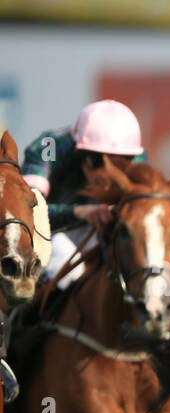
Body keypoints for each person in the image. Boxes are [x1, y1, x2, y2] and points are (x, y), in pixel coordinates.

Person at [21, 99, 148, 287]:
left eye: (120, 162)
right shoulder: (50, 147)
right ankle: (24, 314)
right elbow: (26, 211)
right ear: (77, 149)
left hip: (106, 233)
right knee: (66, 267)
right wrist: (79, 212)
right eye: (94, 160)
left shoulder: (139, 161)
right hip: (50, 235)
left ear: (132, 156)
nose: (106, 173)